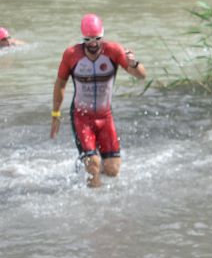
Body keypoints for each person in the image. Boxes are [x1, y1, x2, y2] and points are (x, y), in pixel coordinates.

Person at [50, 14, 146, 188]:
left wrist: (133, 63)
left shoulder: (114, 51)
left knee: (112, 170)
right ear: (82, 38)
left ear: (102, 35)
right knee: (94, 164)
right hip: (81, 117)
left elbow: (141, 76)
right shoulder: (71, 55)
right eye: (88, 39)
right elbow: (60, 83)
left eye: (97, 39)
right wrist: (55, 114)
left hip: (105, 116)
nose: (93, 43)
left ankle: (91, 171)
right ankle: (92, 204)